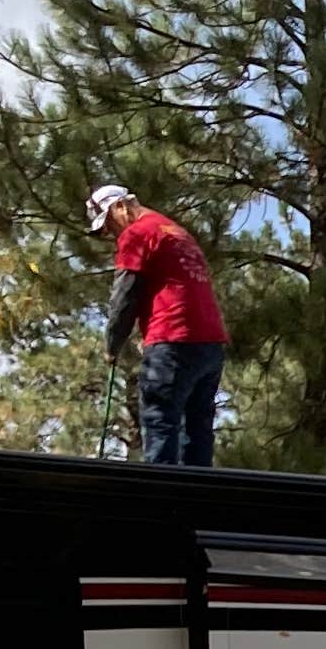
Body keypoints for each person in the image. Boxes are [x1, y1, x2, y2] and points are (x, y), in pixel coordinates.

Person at [86, 185, 227, 466]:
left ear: (120, 207)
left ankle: (159, 503)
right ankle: (199, 501)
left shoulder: (137, 234)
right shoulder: (176, 232)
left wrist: (112, 345)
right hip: (211, 345)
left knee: (161, 423)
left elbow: (125, 295)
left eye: (109, 224)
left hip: (173, 340)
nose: (111, 234)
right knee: (198, 430)